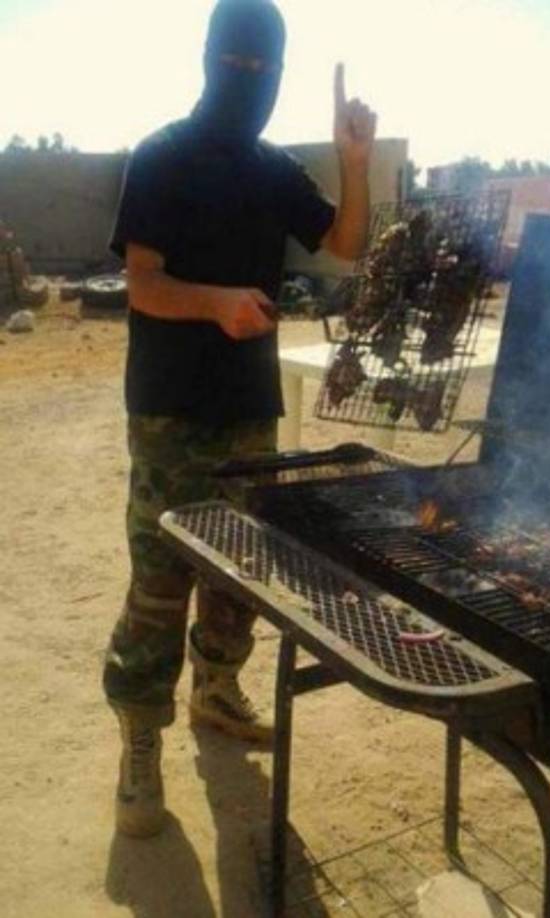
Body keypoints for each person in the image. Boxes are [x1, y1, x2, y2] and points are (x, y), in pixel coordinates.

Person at [102, 0, 376, 838]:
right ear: (211, 58)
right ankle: (140, 741)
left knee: (238, 576)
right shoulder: (161, 157)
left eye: (266, 70)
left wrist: (352, 160)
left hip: (248, 411)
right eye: (239, 65)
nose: (250, 80)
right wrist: (216, 301)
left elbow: (346, 244)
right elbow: (141, 284)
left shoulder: (272, 171)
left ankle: (216, 690)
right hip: (169, 409)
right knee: (160, 580)